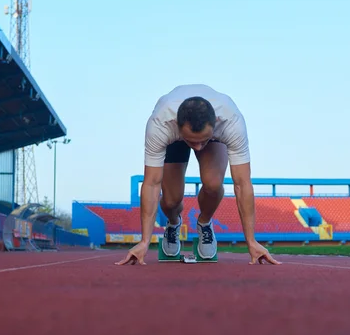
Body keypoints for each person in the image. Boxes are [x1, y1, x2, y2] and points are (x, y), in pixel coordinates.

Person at [115, 84, 281, 266]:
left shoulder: (231, 122)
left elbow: (242, 183)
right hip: (173, 137)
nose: (198, 148)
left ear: (215, 122)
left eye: (202, 141)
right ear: (177, 127)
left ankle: (204, 223)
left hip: (215, 137)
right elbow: (152, 183)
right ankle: (173, 223)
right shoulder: (160, 124)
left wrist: (251, 241)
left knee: (213, 184)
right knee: (171, 201)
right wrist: (144, 241)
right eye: (192, 142)